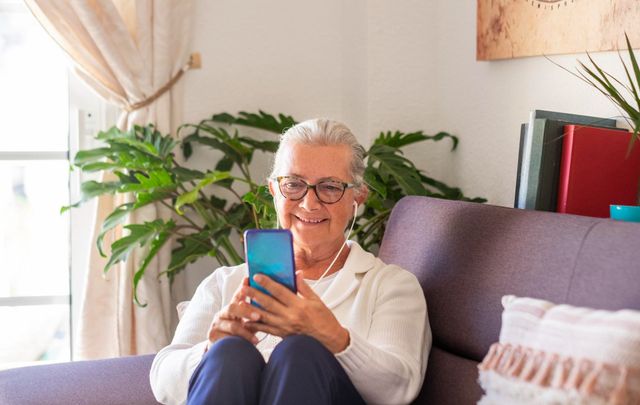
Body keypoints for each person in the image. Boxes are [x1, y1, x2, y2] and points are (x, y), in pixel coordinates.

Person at [150, 119, 431, 405]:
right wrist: (209, 350)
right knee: (229, 352)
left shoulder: (391, 286)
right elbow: (162, 379)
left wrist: (333, 337)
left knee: (301, 351)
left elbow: (398, 389)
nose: (309, 204)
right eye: (294, 184)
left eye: (330, 187)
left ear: (358, 197)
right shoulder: (224, 283)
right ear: (274, 191)